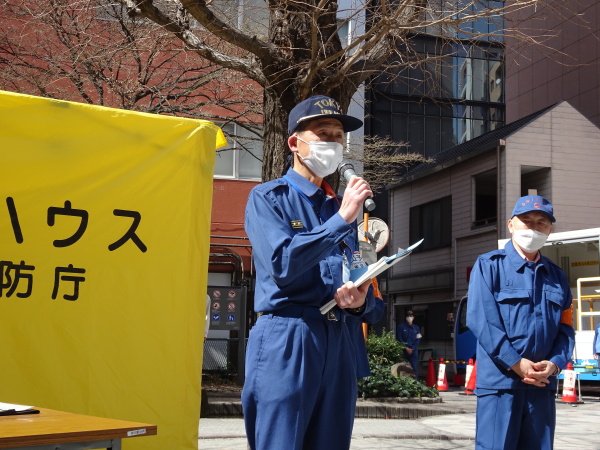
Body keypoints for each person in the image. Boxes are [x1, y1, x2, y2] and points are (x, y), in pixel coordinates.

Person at [242, 95, 384, 450]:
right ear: (295, 142)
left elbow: (376, 302)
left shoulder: (342, 210)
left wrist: (358, 302)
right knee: (281, 442)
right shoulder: (268, 198)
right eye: (324, 133)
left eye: (339, 136)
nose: (334, 143)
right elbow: (283, 264)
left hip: (340, 338)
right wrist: (340, 221)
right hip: (288, 335)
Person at [467, 195, 575, 450]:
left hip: (542, 385)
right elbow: (481, 320)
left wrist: (555, 364)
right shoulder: (488, 266)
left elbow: (566, 328)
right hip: (500, 386)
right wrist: (516, 363)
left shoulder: (557, 277)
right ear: (510, 225)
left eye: (541, 223)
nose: (533, 228)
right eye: (526, 221)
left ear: (550, 229)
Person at [396, 310, 421, 378]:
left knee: (414, 368)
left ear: (413, 317)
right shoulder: (401, 327)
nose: (409, 317)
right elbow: (399, 339)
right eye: (408, 316)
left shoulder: (416, 328)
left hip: (413, 351)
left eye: (411, 316)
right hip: (404, 351)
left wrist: (412, 348)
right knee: (403, 368)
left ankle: (415, 384)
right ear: (406, 317)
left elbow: (418, 339)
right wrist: (406, 348)